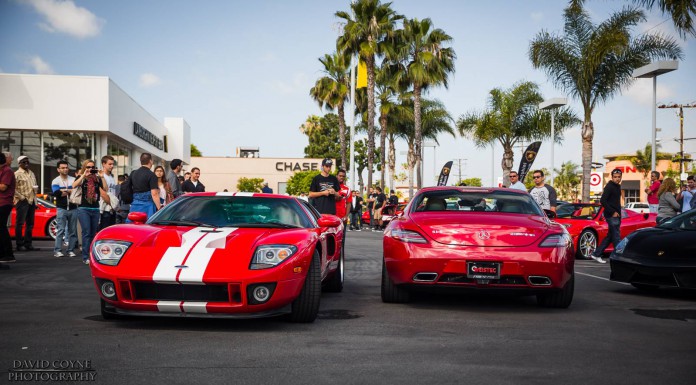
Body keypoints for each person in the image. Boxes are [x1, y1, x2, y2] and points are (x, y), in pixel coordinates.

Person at [72, 159, 108, 265]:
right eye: (88, 167)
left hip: (95, 208)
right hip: (83, 208)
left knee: (93, 233)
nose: (90, 169)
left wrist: (102, 176)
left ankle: (92, 255)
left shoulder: (97, 178)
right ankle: (85, 256)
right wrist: (83, 175)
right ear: (84, 168)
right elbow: (74, 185)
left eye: (92, 167)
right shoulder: (82, 177)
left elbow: (105, 189)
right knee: (86, 232)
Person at [590, 168, 623, 264]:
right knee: (616, 237)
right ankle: (618, 258)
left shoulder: (617, 186)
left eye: (619, 177)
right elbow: (603, 200)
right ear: (612, 177)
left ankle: (596, 254)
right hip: (611, 215)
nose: (617, 179)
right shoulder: (609, 186)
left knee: (610, 236)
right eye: (615, 177)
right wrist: (612, 212)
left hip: (617, 215)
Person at [51, 160, 78, 258]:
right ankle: (57, 250)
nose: (65, 169)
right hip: (61, 208)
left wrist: (64, 190)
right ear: (58, 169)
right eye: (62, 168)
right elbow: (56, 193)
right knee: (60, 230)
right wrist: (69, 191)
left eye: (66, 167)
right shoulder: (56, 180)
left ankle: (70, 250)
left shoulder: (73, 179)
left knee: (73, 231)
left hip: (73, 207)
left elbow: (76, 191)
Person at [13, 155, 40, 251]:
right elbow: (13, 188)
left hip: (31, 200)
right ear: (19, 163)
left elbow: (34, 188)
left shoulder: (31, 173)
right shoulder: (16, 174)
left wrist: (36, 202)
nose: (26, 163)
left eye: (27, 161)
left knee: (30, 224)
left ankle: (28, 244)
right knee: (20, 223)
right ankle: (19, 245)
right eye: (24, 162)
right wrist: (21, 197)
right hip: (22, 201)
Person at [128, 153, 161, 222]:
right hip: (147, 206)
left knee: (133, 226)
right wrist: (159, 208)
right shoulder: (152, 175)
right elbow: (154, 194)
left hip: (134, 205)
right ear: (150, 161)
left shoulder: (133, 173)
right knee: (146, 226)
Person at [0, 152, 16, 265]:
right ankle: (3, 253)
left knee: (1, 227)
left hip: (4, 202)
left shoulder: (7, 171)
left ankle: (8, 254)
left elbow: (3, 187)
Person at [98, 155, 118, 230]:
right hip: (104, 208)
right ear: (103, 164)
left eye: (113, 164)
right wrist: (113, 204)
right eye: (110, 164)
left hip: (112, 208)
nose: (112, 166)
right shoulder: (100, 176)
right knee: (104, 230)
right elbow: (103, 194)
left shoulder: (111, 177)